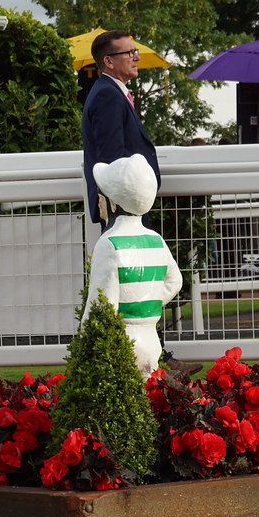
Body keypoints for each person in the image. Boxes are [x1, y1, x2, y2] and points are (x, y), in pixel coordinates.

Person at [85, 154, 182, 379]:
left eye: (101, 195)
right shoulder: (156, 240)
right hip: (151, 340)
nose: (98, 200)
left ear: (113, 202)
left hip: (122, 343)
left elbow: (101, 305)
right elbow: (175, 281)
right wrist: (147, 303)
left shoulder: (108, 244)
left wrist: (84, 341)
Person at [82, 29, 160, 232]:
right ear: (109, 61)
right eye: (130, 53)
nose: (137, 57)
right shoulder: (107, 95)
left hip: (125, 208)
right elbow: (112, 158)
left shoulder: (108, 91)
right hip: (123, 210)